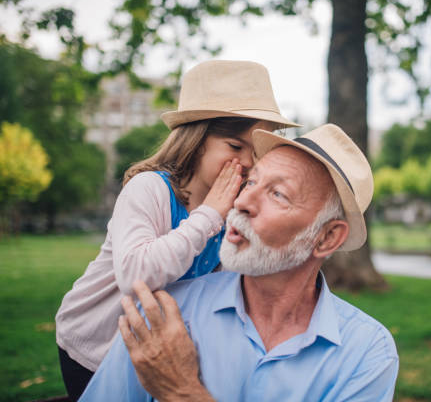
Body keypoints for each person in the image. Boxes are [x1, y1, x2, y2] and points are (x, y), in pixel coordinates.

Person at [80, 124, 399, 401]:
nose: (242, 202)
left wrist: (183, 393)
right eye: (250, 182)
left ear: (327, 238)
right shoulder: (164, 314)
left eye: (278, 194)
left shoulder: (367, 353)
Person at [55, 60, 298, 401]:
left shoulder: (234, 208)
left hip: (156, 353)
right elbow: (136, 278)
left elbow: (225, 286)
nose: (246, 162)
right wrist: (211, 212)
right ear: (197, 140)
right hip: (96, 347)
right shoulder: (149, 189)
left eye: (257, 153)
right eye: (235, 146)